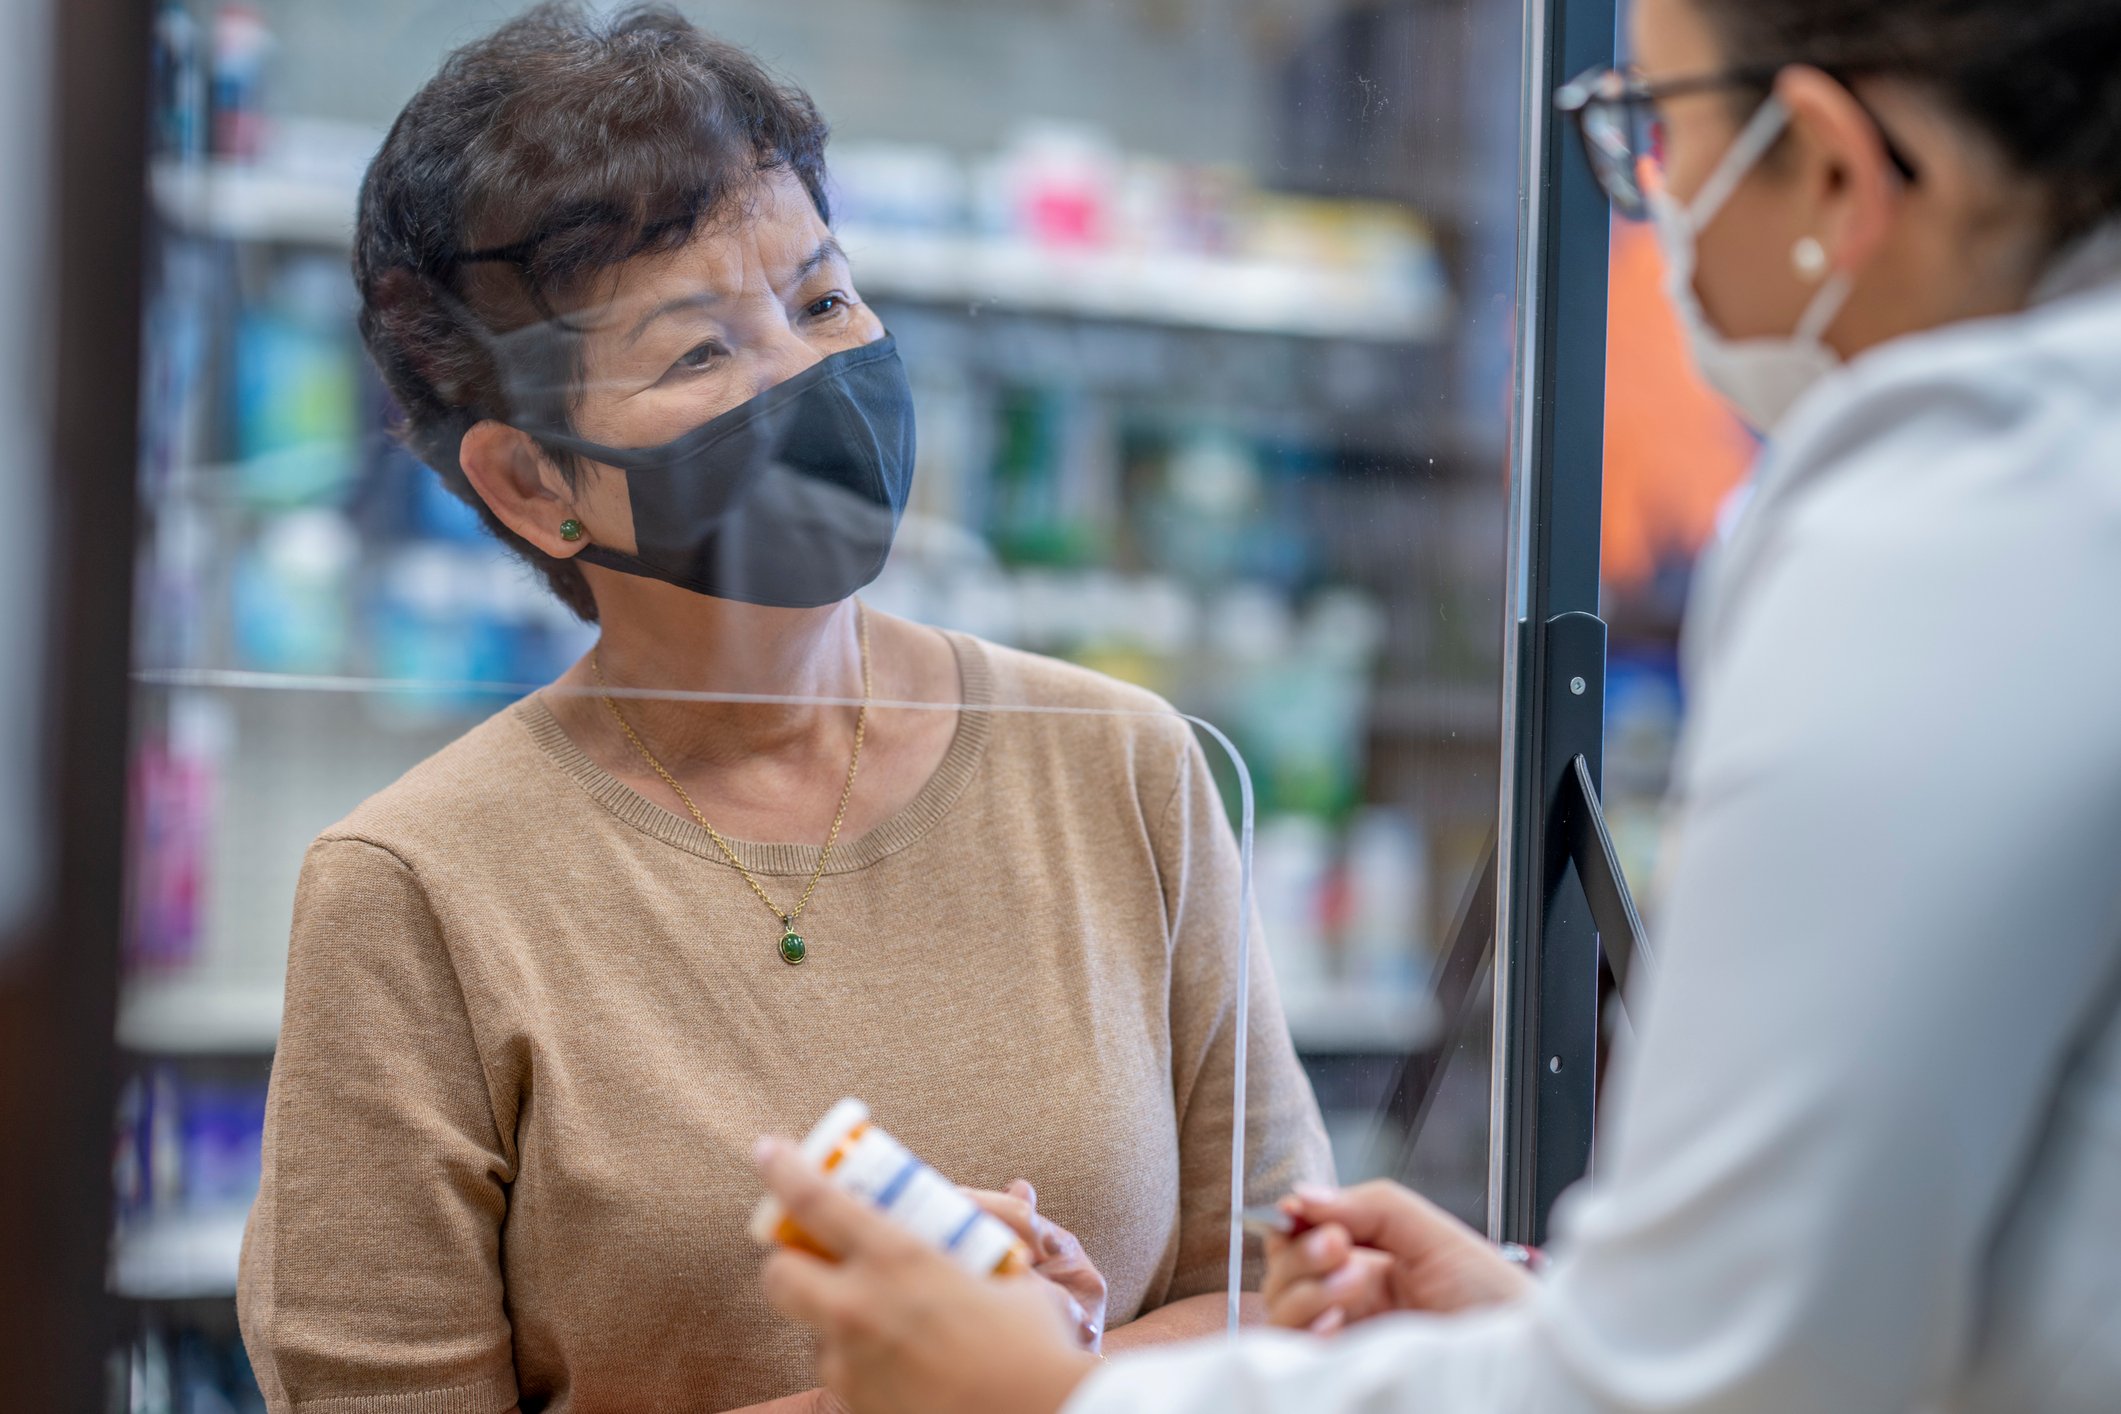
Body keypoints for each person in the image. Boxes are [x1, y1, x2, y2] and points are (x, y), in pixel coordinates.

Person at [754, 0, 2121, 1409]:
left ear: (1831, 166)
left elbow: (1722, 1376)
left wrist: (1044, 1397)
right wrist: (1532, 1327)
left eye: (1657, 127)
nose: (1649, 195)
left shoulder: (1952, 529)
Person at [233, 6, 1335, 1412]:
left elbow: (1291, 1299)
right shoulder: (417, 890)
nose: (810, 381)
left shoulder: (1121, 765)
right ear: (531, 485)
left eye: (822, 302)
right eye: (697, 354)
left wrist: (1050, 1368)